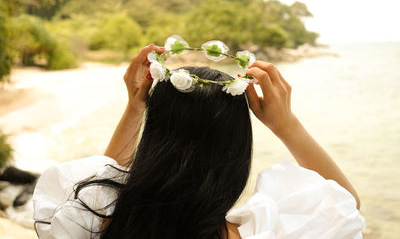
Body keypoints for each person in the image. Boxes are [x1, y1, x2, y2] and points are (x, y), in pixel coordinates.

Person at [33, 44, 365, 238]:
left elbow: (105, 176)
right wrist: (287, 126)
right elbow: (344, 203)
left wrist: (135, 108)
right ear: (235, 151)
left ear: (154, 139)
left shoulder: (96, 223)